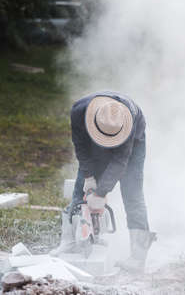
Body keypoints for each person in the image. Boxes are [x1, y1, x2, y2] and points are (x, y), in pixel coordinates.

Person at [51, 91, 156, 272]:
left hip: (133, 141)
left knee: (132, 191)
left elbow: (120, 162)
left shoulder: (127, 122)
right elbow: (81, 148)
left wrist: (101, 193)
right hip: (95, 133)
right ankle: (69, 241)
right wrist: (89, 178)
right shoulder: (78, 112)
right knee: (80, 187)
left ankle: (137, 258)